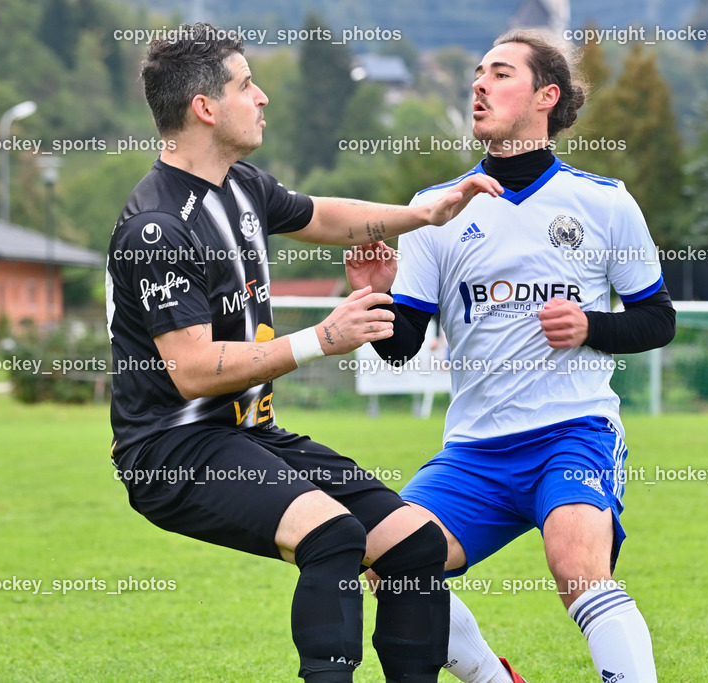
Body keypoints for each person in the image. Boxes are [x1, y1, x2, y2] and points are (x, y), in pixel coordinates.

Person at [104, 23, 502, 683]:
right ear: (205, 108)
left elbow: (325, 215)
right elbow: (194, 370)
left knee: (417, 544)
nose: (262, 98)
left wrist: (424, 215)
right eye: (245, 85)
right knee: (334, 537)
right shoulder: (157, 228)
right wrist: (322, 337)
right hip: (172, 448)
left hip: (248, 434)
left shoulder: (242, 186)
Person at [346, 29, 675, 683]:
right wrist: (378, 298)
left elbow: (657, 319)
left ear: (546, 96)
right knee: (386, 559)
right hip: (475, 449)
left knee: (578, 565)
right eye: (476, 73)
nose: (479, 85)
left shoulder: (604, 201)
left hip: (572, 432)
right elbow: (402, 345)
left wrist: (589, 326)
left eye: (499, 73)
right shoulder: (432, 211)